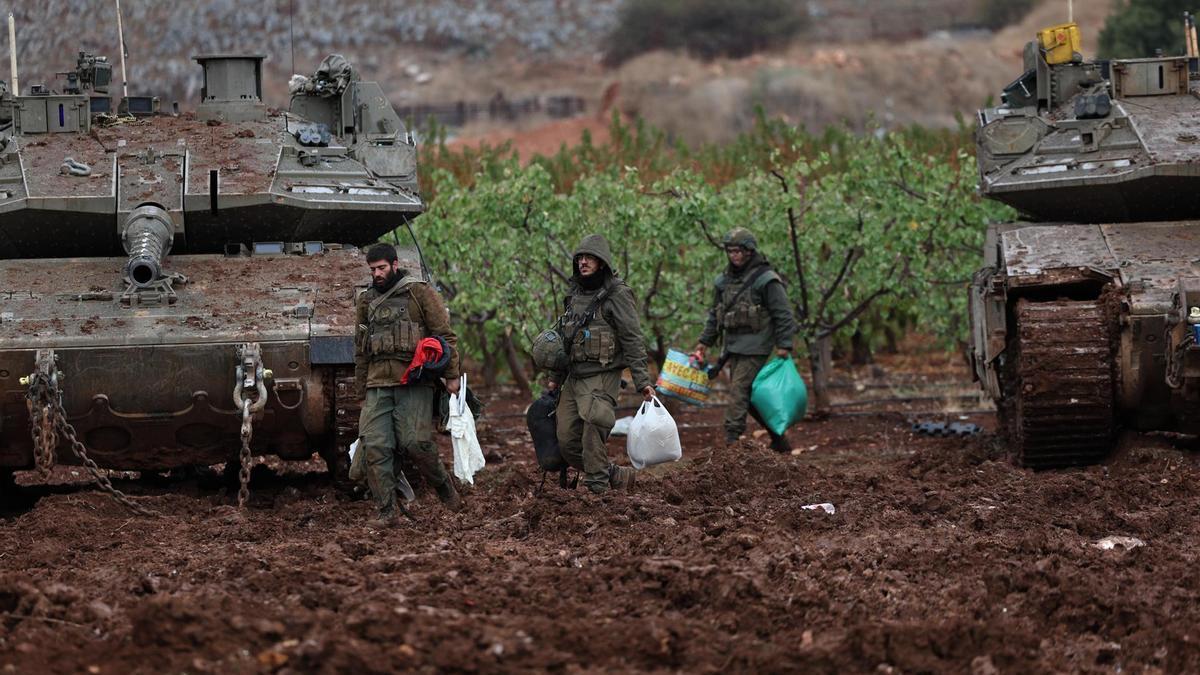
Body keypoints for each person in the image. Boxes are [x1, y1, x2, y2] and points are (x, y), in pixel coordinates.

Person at [354, 243, 462, 527]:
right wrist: (361, 391)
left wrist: (452, 376)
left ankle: (443, 486)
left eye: (381, 268)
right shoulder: (366, 301)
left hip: (413, 379)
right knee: (375, 445)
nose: (377, 274)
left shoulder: (419, 292)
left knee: (416, 442)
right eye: (372, 269)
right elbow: (361, 348)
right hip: (378, 382)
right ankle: (386, 511)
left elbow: (444, 335)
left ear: (394, 264)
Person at [547, 234, 653, 494]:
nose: (583, 263)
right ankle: (613, 475)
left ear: (602, 262)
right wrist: (555, 377)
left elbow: (632, 338)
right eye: (580, 258)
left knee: (594, 425)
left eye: (589, 258)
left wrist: (643, 382)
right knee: (567, 440)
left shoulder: (617, 294)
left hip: (602, 374)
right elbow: (564, 338)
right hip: (574, 375)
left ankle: (597, 491)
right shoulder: (574, 294)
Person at [694, 228, 798, 452]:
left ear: (750, 252)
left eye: (739, 251)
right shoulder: (723, 281)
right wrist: (705, 341)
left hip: (758, 346)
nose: (735, 255)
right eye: (731, 251)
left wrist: (784, 345)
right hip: (733, 347)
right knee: (749, 398)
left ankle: (732, 442)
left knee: (739, 391)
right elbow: (716, 314)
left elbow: (783, 314)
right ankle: (779, 439)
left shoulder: (766, 280)